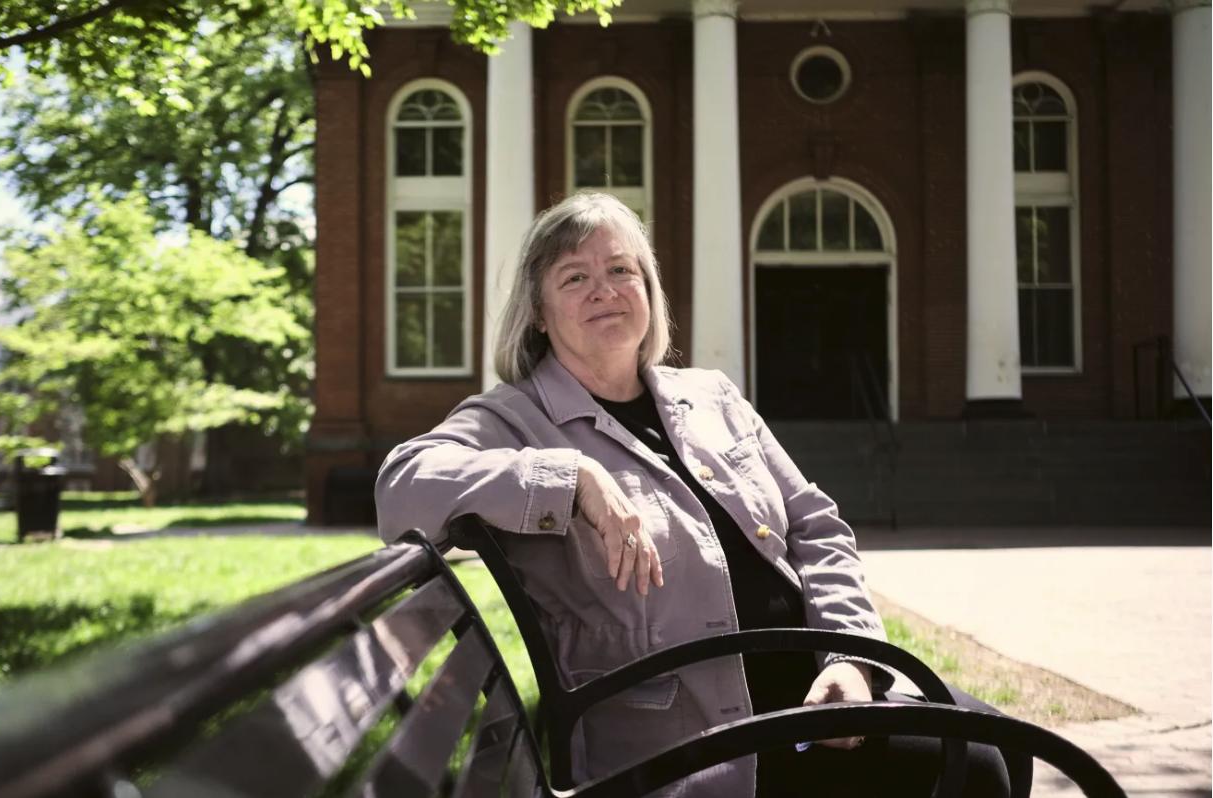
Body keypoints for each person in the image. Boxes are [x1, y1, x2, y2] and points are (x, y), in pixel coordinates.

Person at [374, 192, 1031, 797]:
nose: (604, 290)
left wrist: (849, 661)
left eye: (621, 270)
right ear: (539, 314)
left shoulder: (709, 397)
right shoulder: (513, 418)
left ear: (649, 290)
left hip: (810, 697)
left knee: (1000, 739)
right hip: (695, 744)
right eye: (574, 277)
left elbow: (816, 528)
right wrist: (570, 478)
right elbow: (401, 485)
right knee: (976, 769)